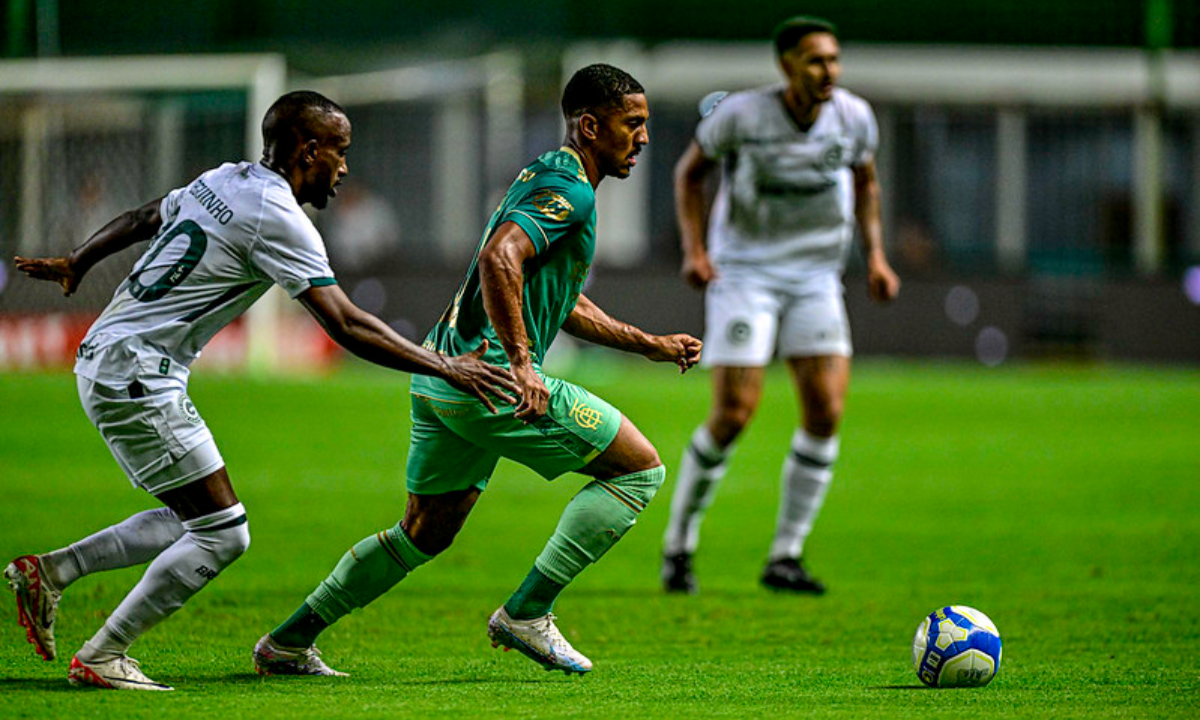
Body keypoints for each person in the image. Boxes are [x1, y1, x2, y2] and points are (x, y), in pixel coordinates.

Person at [5, 91, 517, 691]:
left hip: (110, 358)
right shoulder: (277, 217)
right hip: (139, 374)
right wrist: (445, 366)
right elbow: (346, 323)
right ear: (308, 149)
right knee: (224, 532)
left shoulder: (223, 179)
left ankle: (52, 573)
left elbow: (150, 214)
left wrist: (80, 259)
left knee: (193, 516)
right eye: (340, 151)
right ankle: (104, 653)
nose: (345, 167)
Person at [253, 64, 702, 678]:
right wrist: (522, 363)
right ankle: (528, 612)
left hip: (443, 375)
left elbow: (557, 295)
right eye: (633, 124)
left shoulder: (547, 175)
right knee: (639, 471)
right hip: (490, 380)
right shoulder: (570, 190)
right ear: (592, 126)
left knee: (422, 533)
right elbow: (501, 258)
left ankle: (288, 641)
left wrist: (644, 342)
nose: (643, 138)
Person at [660, 17, 900, 595]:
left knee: (825, 411)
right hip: (745, 273)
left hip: (816, 275)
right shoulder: (741, 115)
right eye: (816, 60)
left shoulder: (854, 116)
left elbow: (866, 183)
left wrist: (876, 256)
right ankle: (679, 546)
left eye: (834, 60)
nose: (829, 72)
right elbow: (689, 174)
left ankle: (786, 556)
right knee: (735, 412)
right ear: (787, 64)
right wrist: (695, 250)